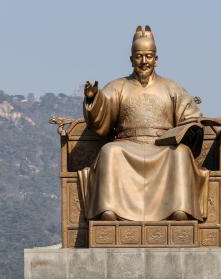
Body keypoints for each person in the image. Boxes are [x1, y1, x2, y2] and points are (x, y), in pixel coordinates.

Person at [80, 25, 210, 223]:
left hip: (162, 146)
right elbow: (102, 113)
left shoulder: (171, 87)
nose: (144, 62)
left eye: (148, 56)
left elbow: (190, 115)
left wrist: (190, 127)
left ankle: (180, 209)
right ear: (131, 59)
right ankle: (109, 210)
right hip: (127, 144)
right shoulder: (118, 86)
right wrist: (93, 99)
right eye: (139, 56)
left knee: (181, 154)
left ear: (156, 59)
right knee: (109, 151)